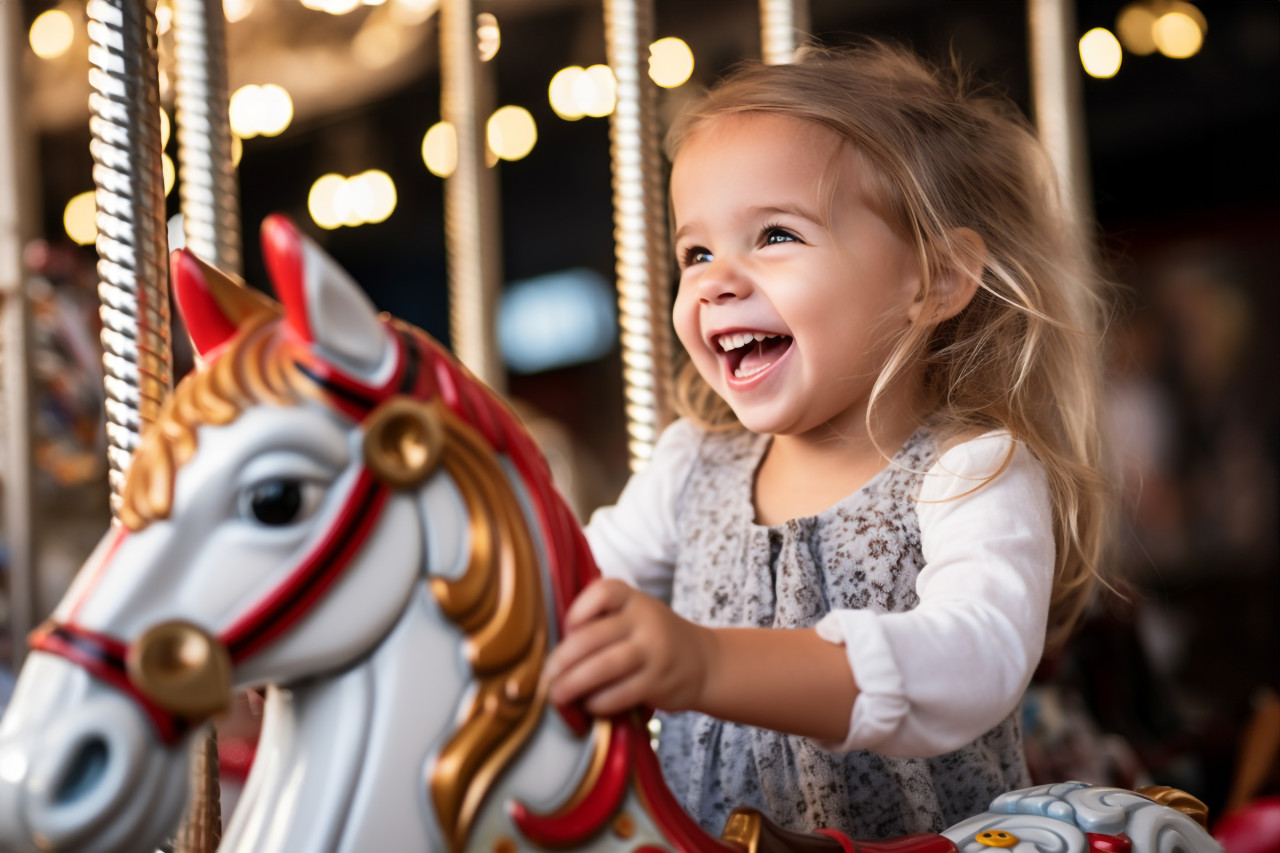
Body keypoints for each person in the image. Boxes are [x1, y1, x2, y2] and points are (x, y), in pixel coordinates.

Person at [546, 41, 1109, 840]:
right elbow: (562, 592)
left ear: (935, 279)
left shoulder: (970, 471)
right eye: (696, 251)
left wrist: (705, 663)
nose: (715, 279)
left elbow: (975, 658)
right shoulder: (688, 470)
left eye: (774, 234)